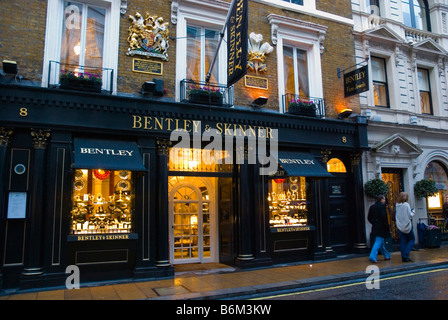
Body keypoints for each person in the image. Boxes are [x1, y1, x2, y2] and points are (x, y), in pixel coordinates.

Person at [368, 195, 391, 263]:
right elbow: (384, 217)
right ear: (381, 200)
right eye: (384, 199)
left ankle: (387, 255)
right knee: (378, 242)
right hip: (381, 227)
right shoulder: (382, 207)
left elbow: (369, 218)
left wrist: (374, 223)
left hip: (375, 227)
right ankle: (372, 256)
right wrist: (387, 226)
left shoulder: (372, 207)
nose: (385, 200)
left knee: (381, 242)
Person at [395, 192, 415, 262]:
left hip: (400, 226)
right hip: (407, 225)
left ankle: (403, 257)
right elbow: (410, 215)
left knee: (403, 242)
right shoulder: (406, 205)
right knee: (412, 240)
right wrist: (413, 212)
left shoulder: (397, 205)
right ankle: (406, 254)